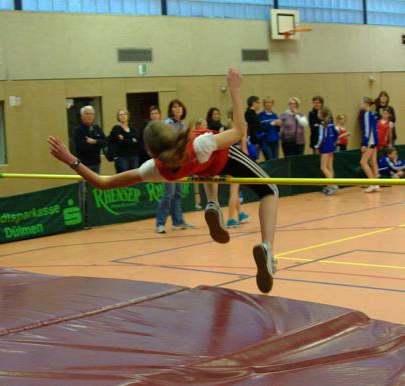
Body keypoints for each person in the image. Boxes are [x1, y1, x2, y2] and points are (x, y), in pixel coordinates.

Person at [48, 68, 279, 294]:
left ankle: (212, 203)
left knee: (205, 170)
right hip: (219, 158)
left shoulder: (155, 169)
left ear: (150, 151)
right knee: (269, 191)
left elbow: (103, 182)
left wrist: (71, 160)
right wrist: (234, 90)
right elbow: (239, 131)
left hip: (199, 168)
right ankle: (267, 246)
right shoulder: (199, 143)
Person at [153, 99, 194, 234]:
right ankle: (160, 223)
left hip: (179, 163)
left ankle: (178, 221)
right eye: (175, 107)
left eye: (179, 107)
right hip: (168, 164)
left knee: (177, 193)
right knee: (168, 194)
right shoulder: (167, 124)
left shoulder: (182, 125)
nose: (177, 109)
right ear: (171, 110)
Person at [225, 108, 249, 229]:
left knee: (234, 188)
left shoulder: (227, 127)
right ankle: (230, 218)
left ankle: (240, 213)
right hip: (237, 160)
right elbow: (244, 147)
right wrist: (247, 160)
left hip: (227, 160)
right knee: (234, 190)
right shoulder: (241, 127)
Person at [73, 106, 107, 174]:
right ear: (82, 116)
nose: (89, 116)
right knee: (82, 184)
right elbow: (82, 147)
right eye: (87, 114)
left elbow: (105, 142)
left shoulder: (96, 128)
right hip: (83, 164)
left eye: (91, 114)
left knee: (96, 184)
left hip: (96, 163)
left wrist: (94, 141)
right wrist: (98, 144)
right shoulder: (78, 130)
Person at [314, 108, 338, 195]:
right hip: (331, 146)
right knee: (329, 166)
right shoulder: (331, 123)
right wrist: (334, 142)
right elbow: (336, 133)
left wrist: (317, 146)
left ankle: (333, 185)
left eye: (319, 112)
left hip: (325, 147)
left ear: (321, 115)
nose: (317, 114)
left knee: (323, 167)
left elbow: (321, 138)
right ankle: (329, 186)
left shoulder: (323, 124)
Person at [359, 97, 380, 193]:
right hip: (375, 140)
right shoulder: (373, 113)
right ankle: (376, 184)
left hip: (370, 141)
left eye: (361, 103)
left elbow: (367, 130)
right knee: (373, 162)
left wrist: (364, 143)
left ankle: (372, 184)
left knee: (363, 162)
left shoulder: (367, 114)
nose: (360, 104)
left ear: (366, 104)